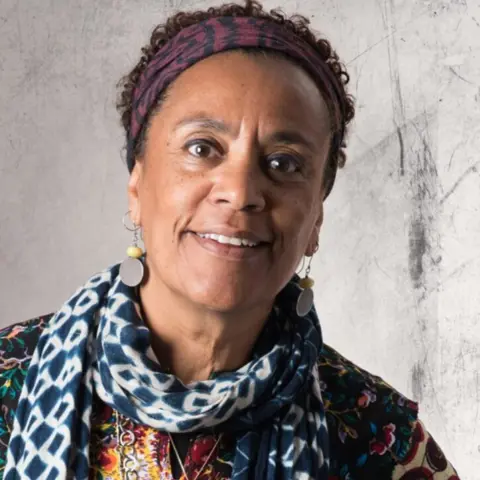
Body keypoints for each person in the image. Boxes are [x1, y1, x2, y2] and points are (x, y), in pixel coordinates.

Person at [0, 1, 459, 479]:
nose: (240, 193)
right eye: (202, 148)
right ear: (137, 187)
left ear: (316, 220)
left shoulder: (378, 435)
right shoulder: (10, 381)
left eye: (283, 163)